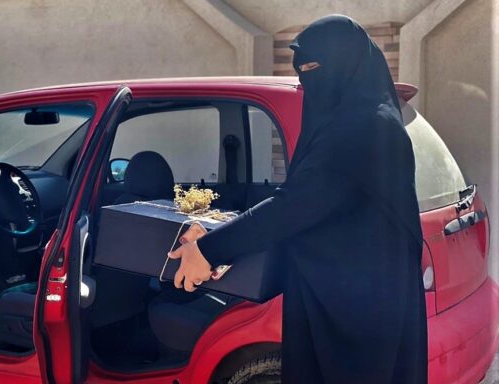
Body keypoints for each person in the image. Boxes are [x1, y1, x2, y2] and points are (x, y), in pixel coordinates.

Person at [168, 14, 428, 384]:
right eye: (301, 69)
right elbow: (315, 200)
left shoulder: (362, 129)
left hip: (359, 321)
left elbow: (296, 205)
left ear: (348, 65)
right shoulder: (362, 120)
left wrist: (210, 250)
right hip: (350, 301)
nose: (307, 79)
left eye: (315, 67)